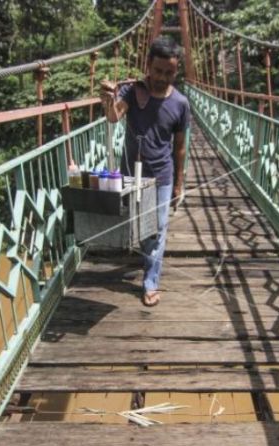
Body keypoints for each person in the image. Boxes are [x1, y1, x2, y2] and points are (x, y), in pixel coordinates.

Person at [100, 36, 190, 307]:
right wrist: (108, 98)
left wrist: (178, 184)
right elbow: (113, 117)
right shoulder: (131, 91)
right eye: (158, 70)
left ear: (176, 71)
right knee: (138, 225)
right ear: (148, 65)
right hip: (131, 173)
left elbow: (180, 148)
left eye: (170, 72)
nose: (163, 77)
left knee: (157, 228)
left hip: (161, 175)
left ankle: (150, 281)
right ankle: (145, 255)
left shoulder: (181, 104)